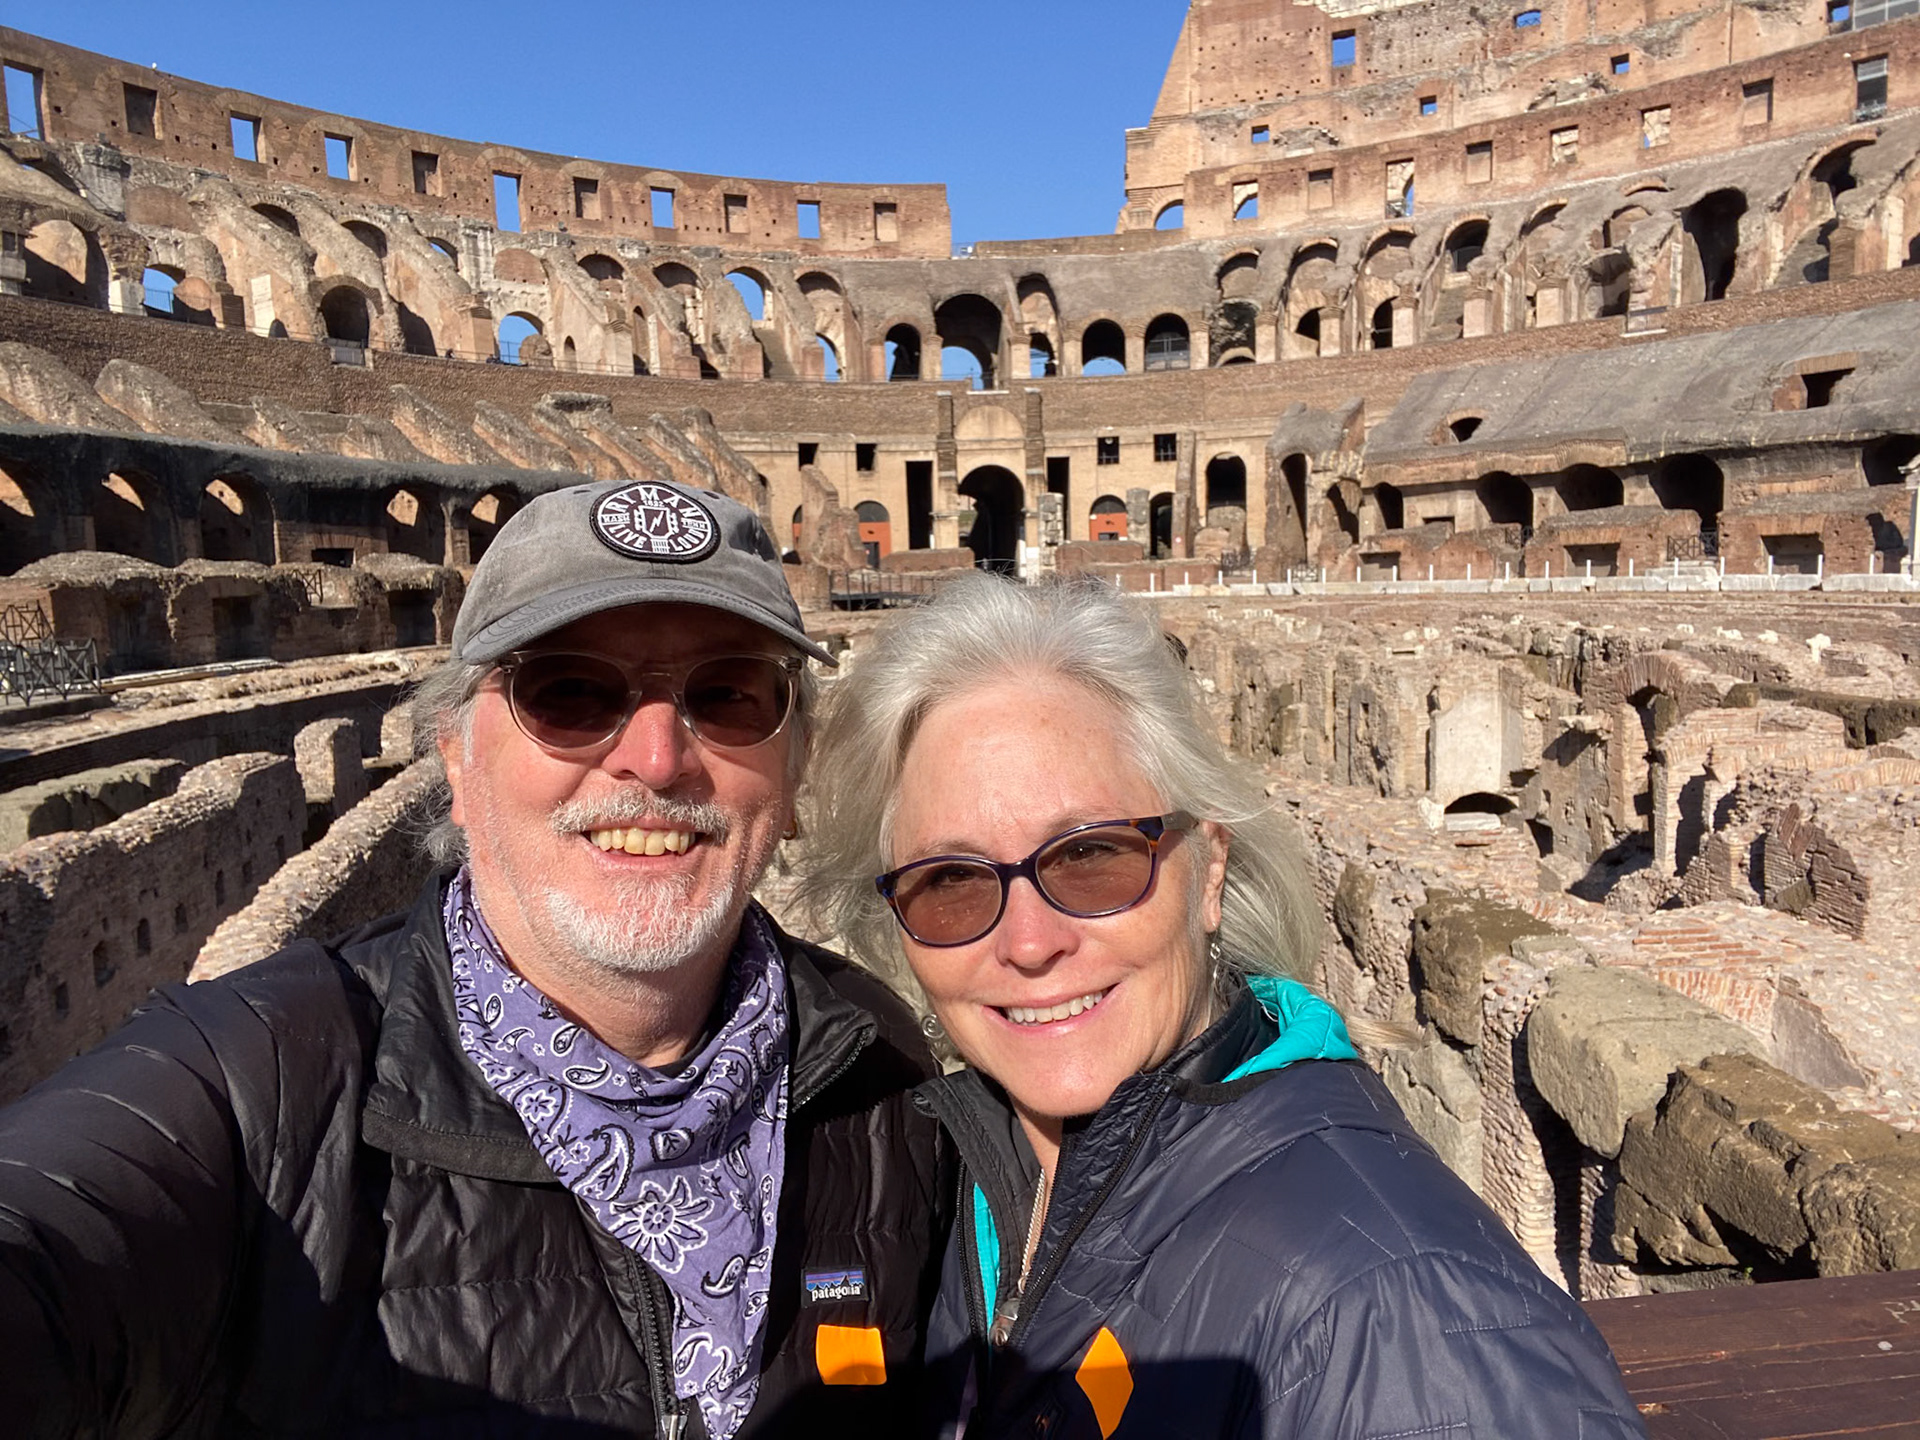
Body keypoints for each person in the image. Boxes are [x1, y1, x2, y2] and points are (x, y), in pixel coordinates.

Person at [0, 478, 950, 1439]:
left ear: (793, 769)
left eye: (729, 695)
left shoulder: (880, 1064)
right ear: (455, 757)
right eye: (569, 692)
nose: (658, 759)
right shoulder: (255, 1088)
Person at [796, 573, 1646, 1440]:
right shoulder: (968, 1183)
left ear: (1208, 872)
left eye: (1090, 856)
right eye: (951, 881)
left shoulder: (1404, 1310)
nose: (1028, 942)